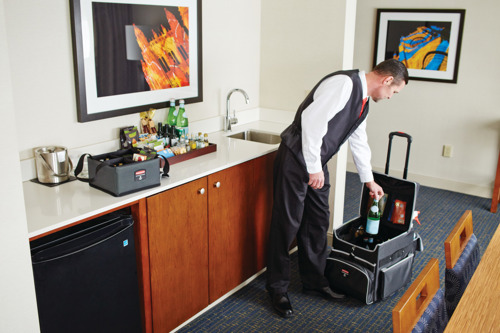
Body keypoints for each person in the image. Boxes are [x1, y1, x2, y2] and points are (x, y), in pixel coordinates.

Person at [266, 59, 409, 318]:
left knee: (318, 221)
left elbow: (358, 139)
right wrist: (313, 168)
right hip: (296, 159)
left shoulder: (363, 102)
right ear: (387, 80)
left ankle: (314, 281)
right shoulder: (344, 84)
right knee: (287, 225)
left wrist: (368, 179)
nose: (390, 96)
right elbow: (311, 122)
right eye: (394, 92)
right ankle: (277, 289)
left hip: (315, 163)